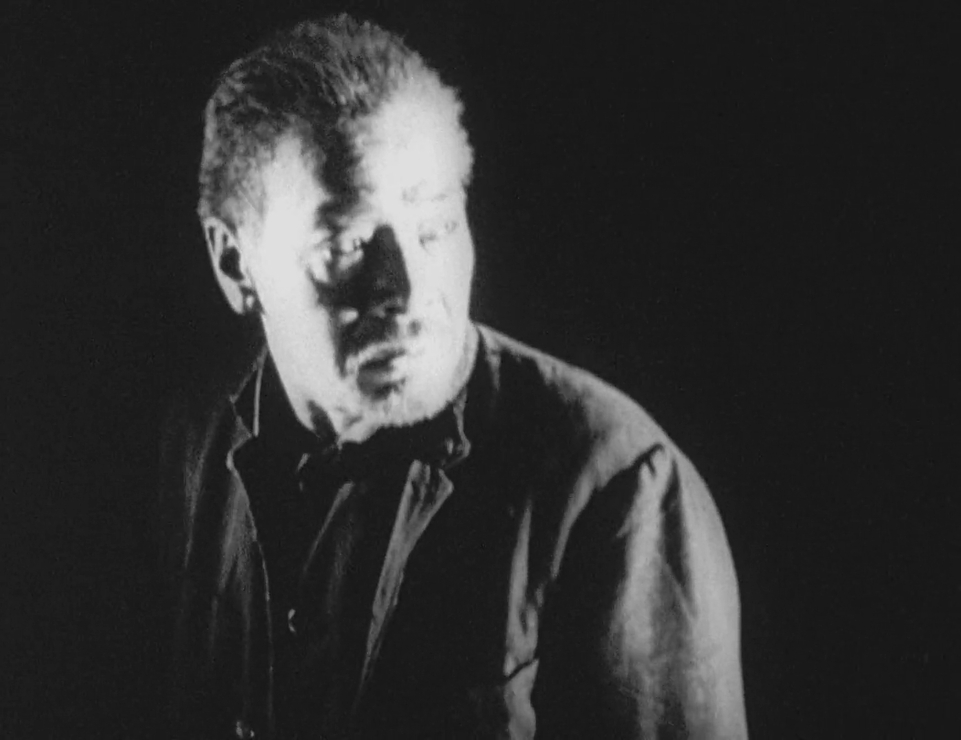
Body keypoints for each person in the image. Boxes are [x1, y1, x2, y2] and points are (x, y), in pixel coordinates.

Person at [158, 14, 748, 739]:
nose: (410, 288)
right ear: (233, 263)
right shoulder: (190, 450)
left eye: (435, 228)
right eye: (346, 244)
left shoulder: (618, 485)